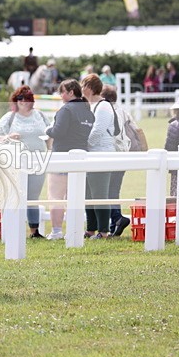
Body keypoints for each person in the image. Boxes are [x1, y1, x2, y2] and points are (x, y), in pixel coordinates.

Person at [0, 86, 51, 238]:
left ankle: (34, 230)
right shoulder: (9, 117)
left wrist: (50, 151)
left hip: (38, 160)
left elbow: (50, 134)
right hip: (16, 162)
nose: (24, 102)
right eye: (21, 99)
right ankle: (12, 230)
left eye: (27, 99)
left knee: (33, 196)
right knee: (15, 195)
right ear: (16, 101)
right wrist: (8, 137)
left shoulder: (40, 115)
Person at [44, 79, 94, 240]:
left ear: (71, 92)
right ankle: (74, 229)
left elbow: (58, 132)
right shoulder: (88, 111)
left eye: (63, 92)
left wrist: (48, 130)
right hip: (81, 157)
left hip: (62, 156)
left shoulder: (66, 110)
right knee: (75, 197)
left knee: (56, 196)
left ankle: (57, 231)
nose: (61, 95)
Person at [81, 74, 115, 239]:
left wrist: (84, 144)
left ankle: (103, 230)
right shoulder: (90, 106)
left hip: (101, 154)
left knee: (100, 193)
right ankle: (91, 228)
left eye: (83, 85)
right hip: (90, 155)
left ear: (89, 87)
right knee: (88, 193)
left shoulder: (103, 106)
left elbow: (97, 131)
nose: (81, 89)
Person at [101, 85, 132, 237]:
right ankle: (115, 224)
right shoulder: (124, 111)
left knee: (106, 191)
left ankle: (117, 219)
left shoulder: (104, 111)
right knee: (114, 190)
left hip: (111, 154)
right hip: (124, 154)